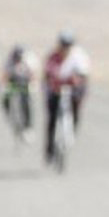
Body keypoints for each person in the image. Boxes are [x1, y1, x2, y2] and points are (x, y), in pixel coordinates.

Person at [43, 31, 91, 161]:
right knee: (52, 118)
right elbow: (48, 72)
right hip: (55, 89)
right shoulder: (53, 56)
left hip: (73, 89)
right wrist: (52, 81)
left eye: (68, 45)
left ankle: (71, 132)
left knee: (75, 110)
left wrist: (78, 80)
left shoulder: (78, 56)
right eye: (63, 45)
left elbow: (84, 74)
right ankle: (49, 148)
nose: (65, 48)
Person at [1, 44, 37, 132]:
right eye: (16, 58)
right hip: (13, 81)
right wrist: (5, 86)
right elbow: (4, 75)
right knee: (5, 97)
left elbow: (33, 74)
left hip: (24, 81)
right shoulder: (9, 61)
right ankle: (8, 112)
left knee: (27, 100)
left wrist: (32, 84)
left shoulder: (29, 60)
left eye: (19, 58)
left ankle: (28, 124)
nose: (17, 60)